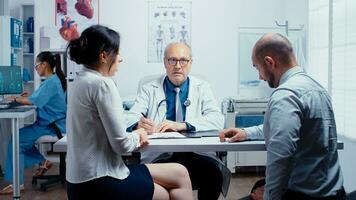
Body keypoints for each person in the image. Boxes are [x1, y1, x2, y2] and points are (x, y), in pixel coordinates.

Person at [65, 25, 193, 200]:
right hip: (101, 180)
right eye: (117, 53)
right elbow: (122, 145)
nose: (120, 59)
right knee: (165, 192)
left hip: (78, 182)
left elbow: (102, 122)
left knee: (180, 172)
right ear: (104, 56)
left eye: (183, 61)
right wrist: (139, 133)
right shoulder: (103, 84)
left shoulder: (79, 81)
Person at [220, 33, 345, 200]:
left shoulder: (285, 96)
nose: (260, 76)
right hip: (333, 192)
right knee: (259, 186)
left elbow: (281, 159)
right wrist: (246, 133)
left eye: (257, 68)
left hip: (303, 195)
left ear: (269, 62)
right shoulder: (318, 89)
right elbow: (290, 129)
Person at [126, 42, 228, 200]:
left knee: (213, 174)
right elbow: (130, 117)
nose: (178, 66)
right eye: (172, 60)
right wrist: (138, 124)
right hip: (160, 155)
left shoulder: (203, 87)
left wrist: (183, 125)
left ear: (190, 63)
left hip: (196, 153)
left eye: (183, 60)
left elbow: (217, 119)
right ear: (165, 62)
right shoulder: (149, 89)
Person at [0, 51, 67, 195]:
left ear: (44, 65)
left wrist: (14, 99)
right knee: (19, 138)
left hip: (51, 126)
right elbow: (39, 98)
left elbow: (33, 101)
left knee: (17, 140)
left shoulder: (51, 82)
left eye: (36, 66)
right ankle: (43, 162)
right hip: (51, 124)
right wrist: (28, 96)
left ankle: (17, 184)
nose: (35, 70)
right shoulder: (53, 80)